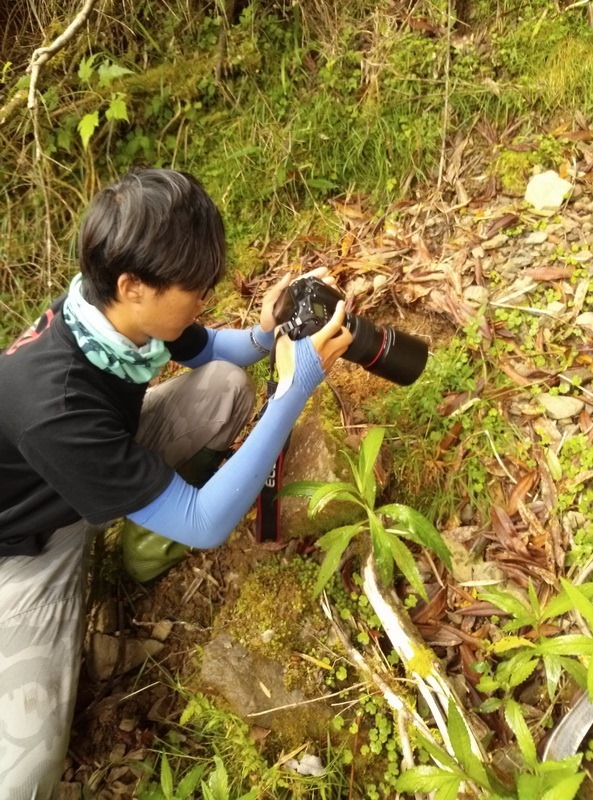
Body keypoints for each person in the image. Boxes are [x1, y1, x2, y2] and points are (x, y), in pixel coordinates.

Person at [0, 167, 352, 800]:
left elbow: (212, 349)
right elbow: (206, 524)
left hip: (95, 465)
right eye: (194, 289)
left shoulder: (104, 310)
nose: (202, 300)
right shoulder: (50, 403)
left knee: (223, 388)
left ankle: (140, 547)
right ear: (134, 286)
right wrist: (295, 387)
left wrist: (272, 329)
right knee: (23, 775)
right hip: (28, 542)